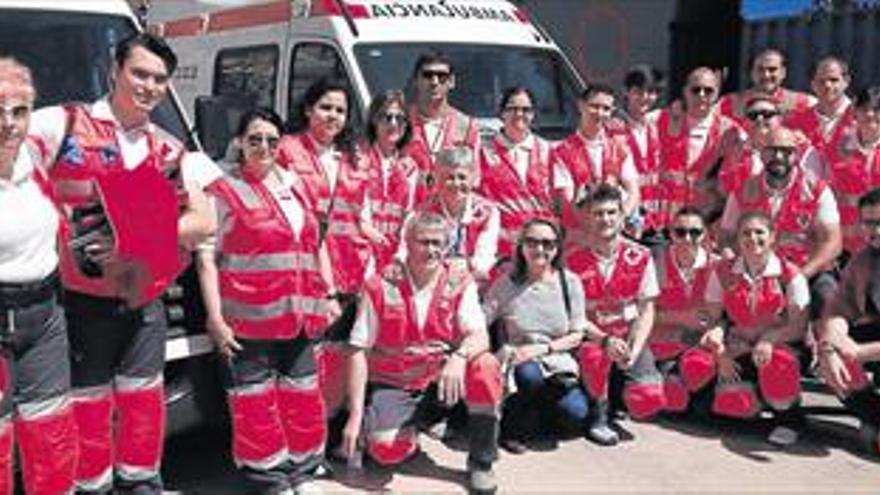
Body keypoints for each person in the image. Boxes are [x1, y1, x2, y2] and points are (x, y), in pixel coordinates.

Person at [28, 33, 215, 493]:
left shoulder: (169, 149)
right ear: (114, 70)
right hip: (78, 305)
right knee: (87, 412)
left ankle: (141, 486)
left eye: (159, 79)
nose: (149, 86)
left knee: (143, 409)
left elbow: (204, 219)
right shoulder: (65, 124)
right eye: (140, 73)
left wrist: (136, 236)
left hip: (146, 307)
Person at [196, 108, 337, 493]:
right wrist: (215, 320)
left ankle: (305, 472)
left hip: (302, 315)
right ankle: (269, 481)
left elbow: (315, 243)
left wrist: (329, 293)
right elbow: (207, 258)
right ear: (240, 141)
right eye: (255, 138)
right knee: (255, 406)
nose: (264, 147)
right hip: (249, 320)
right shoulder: (222, 190)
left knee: (304, 398)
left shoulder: (295, 186)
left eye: (272, 140)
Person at [340, 212, 502, 494]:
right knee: (386, 452)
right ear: (407, 243)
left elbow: (480, 336)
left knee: (485, 366)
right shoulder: (379, 286)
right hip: (395, 384)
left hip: (440, 382)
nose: (431, 250)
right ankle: (404, 427)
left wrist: (459, 356)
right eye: (423, 242)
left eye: (438, 243)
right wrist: (354, 415)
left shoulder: (459, 282)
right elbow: (358, 350)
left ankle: (481, 462)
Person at [0, 57, 76, 495]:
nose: (8, 124)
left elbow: (93, 117)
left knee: (51, 433)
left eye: (19, 111)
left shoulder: (35, 156)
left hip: (45, 314)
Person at [275, 79, 370, 417]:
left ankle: (325, 431)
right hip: (304, 270)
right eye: (325, 107)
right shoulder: (285, 148)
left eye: (340, 110)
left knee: (336, 356)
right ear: (307, 109)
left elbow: (361, 214)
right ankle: (298, 429)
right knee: (303, 358)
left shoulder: (352, 156)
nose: (333, 116)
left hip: (348, 270)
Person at [697, 212, 810, 446]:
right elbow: (714, 319)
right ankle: (755, 399)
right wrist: (720, 350)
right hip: (739, 347)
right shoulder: (723, 271)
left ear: (772, 237)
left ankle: (789, 419)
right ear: (738, 239)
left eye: (760, 232)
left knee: (777, 364)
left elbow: (798, 327)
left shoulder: (790, 275)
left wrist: (769, 339)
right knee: (722, 398)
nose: (753, 238)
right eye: (745, 233)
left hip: (783, 348)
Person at [565, 184, 665, 446]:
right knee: (595, 357)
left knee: (648, 399)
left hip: (628, 336)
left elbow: (647, 309)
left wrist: (635, 347)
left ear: (622, 216)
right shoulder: (572, 260)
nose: (605, 220)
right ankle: (599, 414)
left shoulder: (641, 255)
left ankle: (619, 393)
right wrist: (604, 341)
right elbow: (573, 316)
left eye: (611, 213)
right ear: (587, 218)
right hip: (592, 339)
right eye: (598, 214)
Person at [482, 218, 589, 453]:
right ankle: (513, 427)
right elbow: (481, 322)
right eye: (532, 242)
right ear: (521, 246)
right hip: (519, 362)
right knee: (529, 374)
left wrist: (543, 349)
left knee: (576, 415)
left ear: (557, 248)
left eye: (548, 243)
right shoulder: (505, 284)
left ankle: (537, 416)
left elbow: (578, 333)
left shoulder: (569, 282)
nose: (540, 249)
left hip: (556, 360)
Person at [720, 127, 841, 323]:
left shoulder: (816, 189)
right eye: (772, 150)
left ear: (797, 154)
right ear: (762, 153)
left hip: (807, 270)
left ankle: (829, 349)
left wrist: (800, 276)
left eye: (787, 151)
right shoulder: (743, 190)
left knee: (829, 298)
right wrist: (732, 260)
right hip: (757, 271)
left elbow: (832, 242)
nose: (779, 156)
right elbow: (725, 236)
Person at [817, 187, 880, 456]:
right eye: (869, 222)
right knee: (829, 357)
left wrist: (861, 352)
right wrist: (831, 347)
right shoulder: (863, 259)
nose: (874, 230)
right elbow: (838, 310)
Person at [649, 207, 724, 413]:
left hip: (699, 347)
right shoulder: (655, 263)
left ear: (705, 234)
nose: (687, 238)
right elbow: (640, 315)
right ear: (670, 233)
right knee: (671, 398)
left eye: (695, 232)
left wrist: (715, 328)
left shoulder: (717, 265)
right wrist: (681, 318)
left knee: (701, 378)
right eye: (680, 232)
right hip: (661, 347)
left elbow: (719, 316)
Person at [479, 87, 557, 260]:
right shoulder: (482, 151)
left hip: (541, 247)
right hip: (499, 248)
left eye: (526, 110)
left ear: (534, 114)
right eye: (512, 108)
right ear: (501, 113)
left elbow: (559, 200)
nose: (519, 114)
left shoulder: (549, 150)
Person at [401, 146, 500, 283]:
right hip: (430, 281)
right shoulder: (419, 214)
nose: (456, 183)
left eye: (462, 177)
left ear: (473, 178)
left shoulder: (488, 213)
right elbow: (405, 252)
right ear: (436, 179)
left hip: (473, 283)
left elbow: (484, 259)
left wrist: (460, 271)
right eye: (449, 177)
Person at [657, 66, 741, 227]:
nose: (701, 95)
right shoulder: (660, 120)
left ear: (717, 94)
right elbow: (632, 129)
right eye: (696, 90)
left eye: (708, 91)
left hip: (706, 221)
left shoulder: (732, 131)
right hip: (664, 221)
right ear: (685, 91)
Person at [552, 83, 640, 223]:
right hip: (580, 231)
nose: (600, 113)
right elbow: (565, 201)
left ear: (612, 111)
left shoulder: (619, 147)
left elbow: (634, 192)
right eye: (594, 106)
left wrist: (621, 218)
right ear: (581, 106)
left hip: (614, 228)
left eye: (606, 108)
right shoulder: (561, 152)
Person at [405, 51, 479, 203]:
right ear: (416, 80)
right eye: (427, 75)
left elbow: (476, 178)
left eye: (441, 76)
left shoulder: (467, 126)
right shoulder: (400, 121)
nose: (434, 82)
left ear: (451, 82)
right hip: (408, 211)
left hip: (450, 214)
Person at [360, 90, 419, 273]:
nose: (393, 124)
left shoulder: (409, 167)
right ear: (374, 121)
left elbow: (409, 216)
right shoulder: (357, 159)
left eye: (399, 119)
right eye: (386, 117)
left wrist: (400, 257)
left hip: (394, 258)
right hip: (360, 252)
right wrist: (367, 231)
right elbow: (351, 211)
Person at [818, 87, 880, 257]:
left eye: (876, 110)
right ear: (855, 112)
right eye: (864, 109)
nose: (870, 115)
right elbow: (823, 187)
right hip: (843, 242)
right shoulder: (836, 146)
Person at [610, 65, 665, 236]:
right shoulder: (614, 128)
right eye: (638, 91)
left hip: (655, 220)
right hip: (628, 221)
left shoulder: (657, 127)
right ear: (626, 91)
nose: (645, 97)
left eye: (651, 92)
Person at [718, 48, 815, 129]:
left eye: (772, 69)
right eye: (760, 69)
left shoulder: (804, 103)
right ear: (751, 73)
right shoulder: (728, 103)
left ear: (783, 72)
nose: (766, 75)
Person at [785, 56, 855, 161]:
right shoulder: (795, 122)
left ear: (846, 81)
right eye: (821, 81)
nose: (827, 85)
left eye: (833, 80)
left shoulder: (864, 117)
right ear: (812, 84)